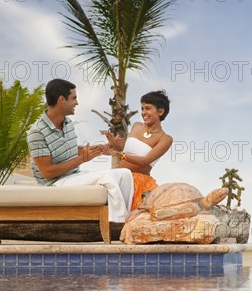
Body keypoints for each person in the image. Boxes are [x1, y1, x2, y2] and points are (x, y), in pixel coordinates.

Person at [27, 79, 134, 223]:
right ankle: (119, 224)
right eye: (74, 98)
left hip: (74, 176)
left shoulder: (67, 123)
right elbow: (47, 172)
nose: (77, 103)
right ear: (62, 100)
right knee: (108, 177)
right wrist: (81, 159)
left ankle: (127, 218)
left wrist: (103, 148)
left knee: (125, 174)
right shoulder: (37, 132)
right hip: (54, 183)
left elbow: (71, 150)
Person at [101, 90, 173, 210]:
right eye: (142, 108)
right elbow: (128, 151)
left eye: (148, 108)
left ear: (160, 111)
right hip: (118, 178)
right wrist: (114, 145)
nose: (144, 112)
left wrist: (118, 154)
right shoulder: (136, 125)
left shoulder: (165, 139)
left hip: (139, 184)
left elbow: (145, 160)